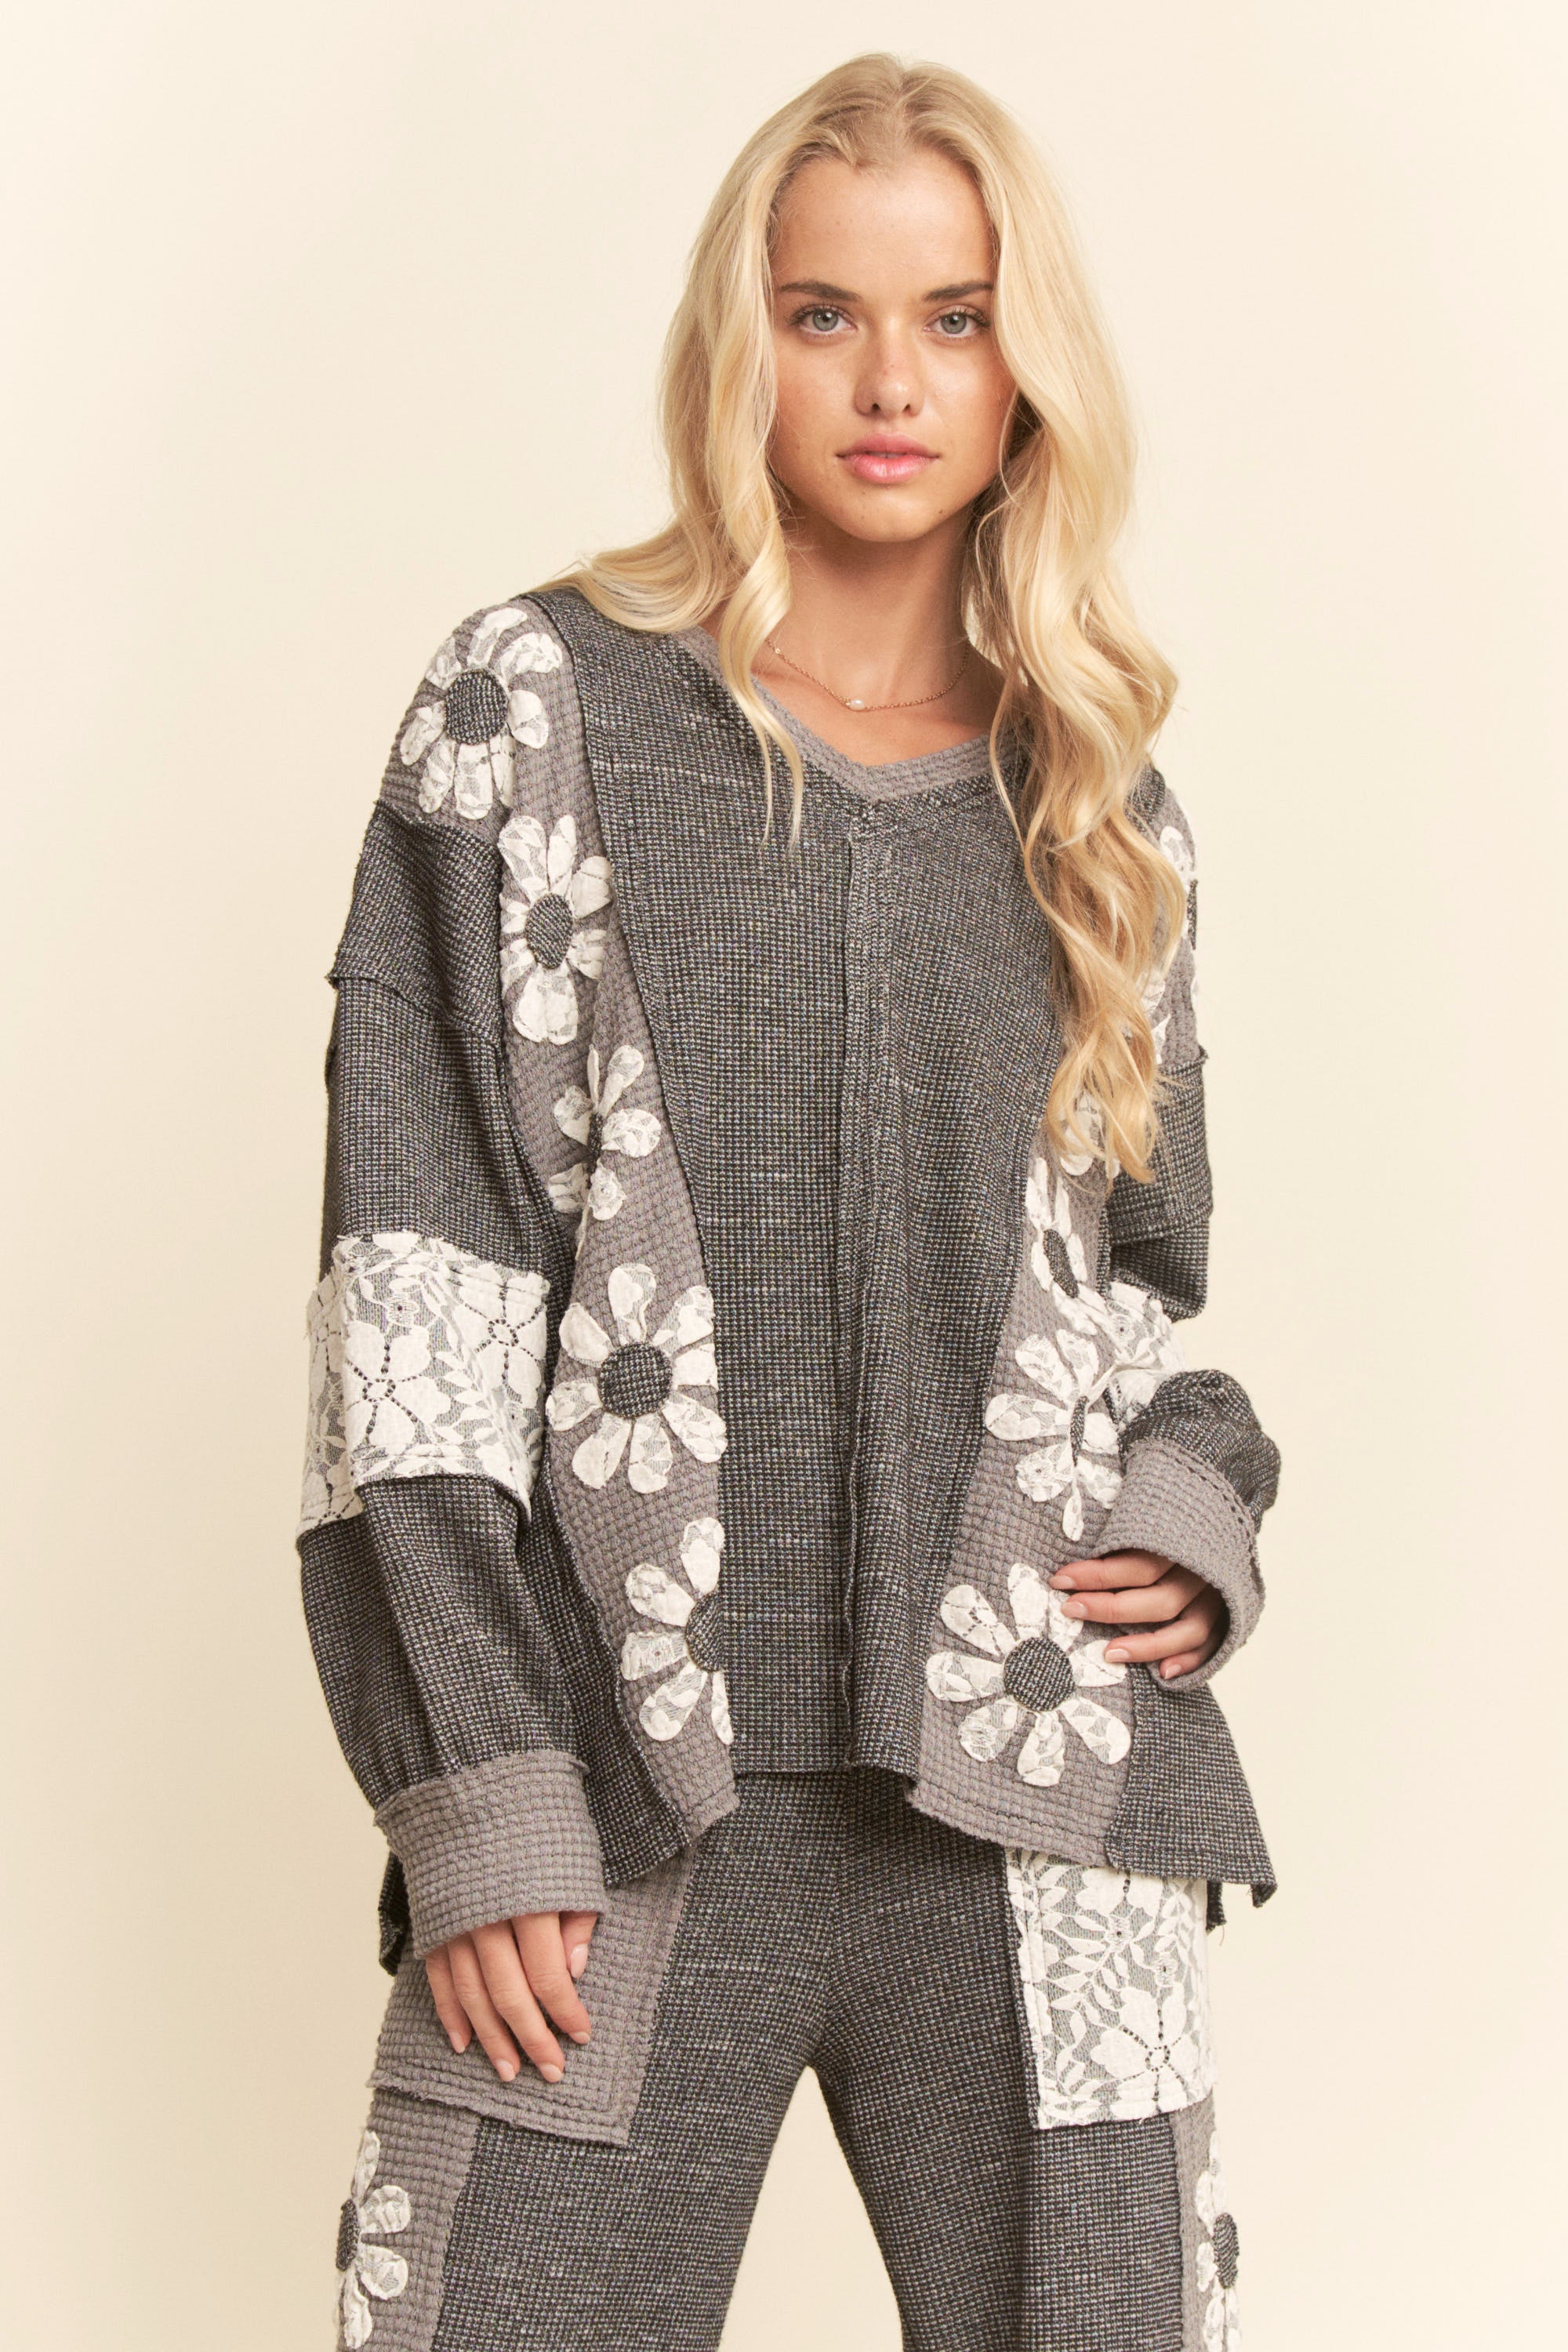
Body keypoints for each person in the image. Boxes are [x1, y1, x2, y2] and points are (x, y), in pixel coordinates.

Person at [300, 51, 1276, 2352]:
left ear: (1028, 370)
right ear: (741, 343)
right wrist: (481, 1785)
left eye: (955, 317)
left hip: (1035, 1803)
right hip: (626, 1782)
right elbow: (414, 1292)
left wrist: (1198, 1511)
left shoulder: (1100, 808)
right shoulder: (534, 715)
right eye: (824, 313)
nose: (889, 382)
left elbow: (1134, 1308)